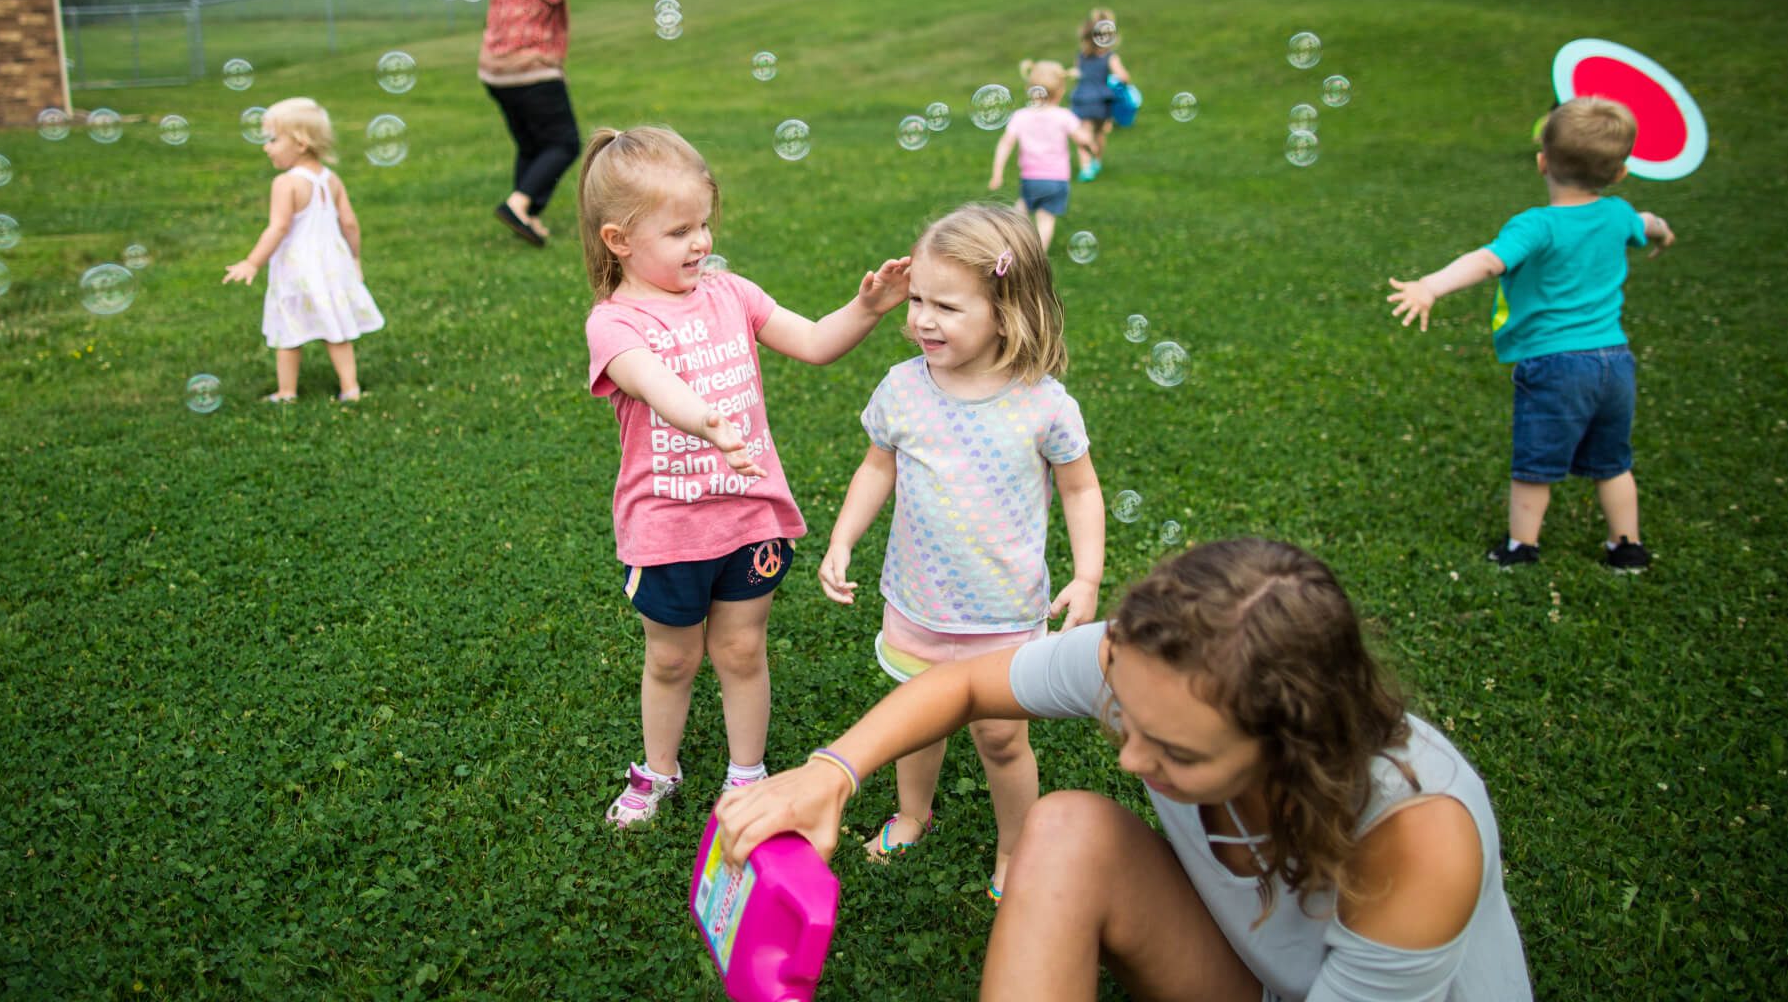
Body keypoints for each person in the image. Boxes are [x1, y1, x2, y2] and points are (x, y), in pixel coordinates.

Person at [718, 538, 1533, 1002]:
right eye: (1126, 719)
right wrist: (832, 772)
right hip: (1260, 978)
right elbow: (965, 682)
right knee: (1069, 824)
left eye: (1177, 753)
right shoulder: (1153, 662)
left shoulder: (1418, 834)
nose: (1133, 759)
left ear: (1294, 744)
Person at [579, 124, 912, 827]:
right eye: (678, 231)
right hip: (668, 526)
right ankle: (658, 772)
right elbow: (651, 382)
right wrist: (708, 422)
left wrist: (868, 308)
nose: (700, 242)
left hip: (751, 516)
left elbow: (817, 343)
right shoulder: (614, 323)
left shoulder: (733, 294)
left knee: (741, 647)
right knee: (671, 660)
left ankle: (746, 773)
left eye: (703, 223)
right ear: (619, 241)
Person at [818, 203, 1103, 901]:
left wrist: (1088, 573)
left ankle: (1017, 850)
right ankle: (914, 814)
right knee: (918, 724)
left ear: (1007, 311)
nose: (922, 319)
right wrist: (843, 536)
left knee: (1003, 742)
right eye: (917, 299)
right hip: (920, 602)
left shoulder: (1042, 404)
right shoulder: (904, 388)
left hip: (1003, 614)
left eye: (947, 305)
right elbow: (877, 466)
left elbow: (1081, 488)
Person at [1386, 96, 1676, 570]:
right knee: (1613, 462)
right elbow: (1648, 222)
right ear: (1620, 173)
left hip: (1557, 364)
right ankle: (1627, 547)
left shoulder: (1537, 225)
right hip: (1615, 362)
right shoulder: (1619, 214)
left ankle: (1521, 546)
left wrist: (1429, 287)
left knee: (1534, 465)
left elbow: (1486, 262)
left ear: (1542, 162)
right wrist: (1663, 235)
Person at [480, 0, 645, 246]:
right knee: (563, 142)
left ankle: (526, 214)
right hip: (529, 69)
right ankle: (518, 204)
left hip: (495, 71)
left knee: (531, 145)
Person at [223, 97, 382, 402]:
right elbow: (350, 223)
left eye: (272, 139)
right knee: (336, 328)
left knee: (288, 330)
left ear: (299, 143)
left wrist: (252, 262)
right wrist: (355, 257)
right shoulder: (330, 179)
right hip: (331, 264)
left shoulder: (286, 183)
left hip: (297, 268)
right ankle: (350, 388)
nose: (265, 147)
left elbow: (277, 228)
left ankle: (287, 391)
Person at [989, 61, 1095, 251]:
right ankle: (1039, 253)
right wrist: (1090, 143)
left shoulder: (1021, 116)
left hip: (1031, 178)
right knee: (1045, 220)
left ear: (1029, 88)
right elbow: (1082, 139)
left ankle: (1008, 234)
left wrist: (997, 173)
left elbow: (1005, 143)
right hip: (1057, 180)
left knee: (1023, 206)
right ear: (1061, 91)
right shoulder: (1064, 116)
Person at [1070, 8, 1133, 181]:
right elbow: (1124, 77)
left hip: (1083, 98)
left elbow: (1077, 73)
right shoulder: (1110, 57)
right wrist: (1121, 82)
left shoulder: (1081, 56)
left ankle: (1085, 166)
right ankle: (1096, 161)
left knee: (1085, 132)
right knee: (1099, 133)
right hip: (1101, 100)